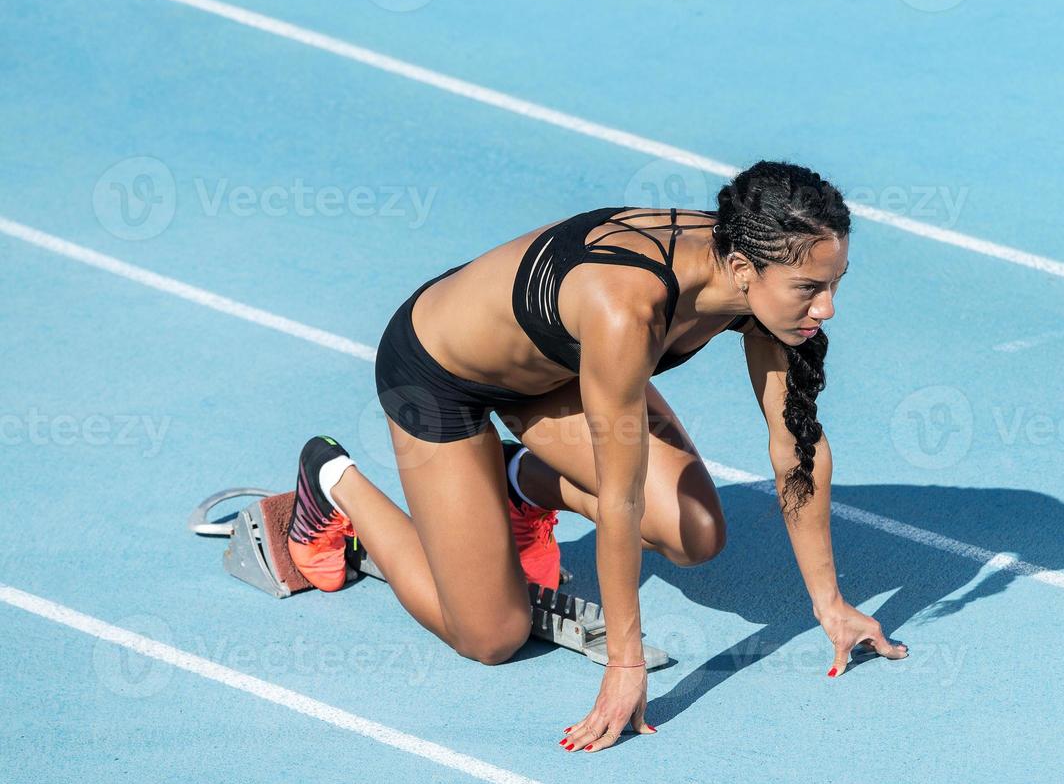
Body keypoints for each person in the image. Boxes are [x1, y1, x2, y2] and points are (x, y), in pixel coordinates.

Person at [285, 160, 907, 753]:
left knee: (695, 535)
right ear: (743, 267)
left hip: (558, 369)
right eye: (809, 289)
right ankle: (332, 479)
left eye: (834, 284)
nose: (826, 308)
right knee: (491, 635)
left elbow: (795, 450)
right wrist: (625, 664)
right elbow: (620, 495)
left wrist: (829, 605)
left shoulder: (761, 269)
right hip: (438, 378)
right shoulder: (626, 308)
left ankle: (512, 484)